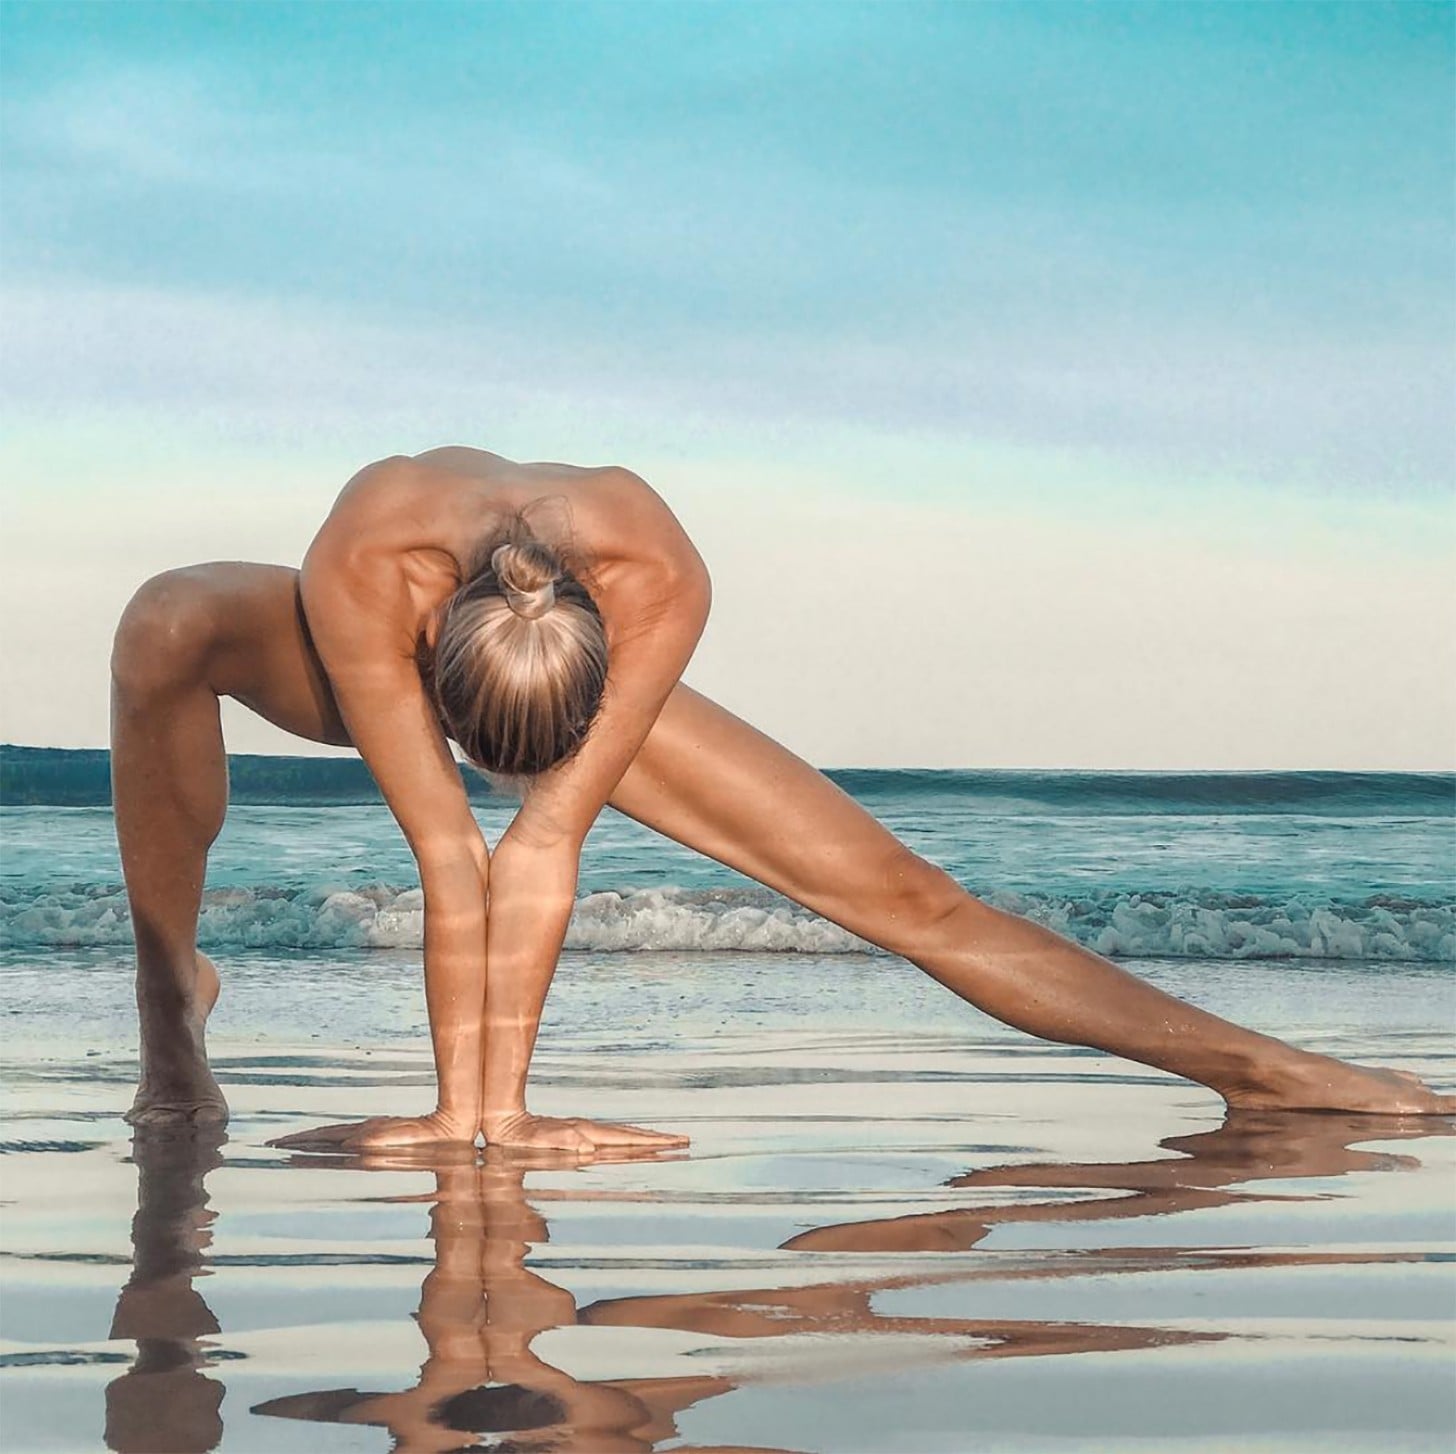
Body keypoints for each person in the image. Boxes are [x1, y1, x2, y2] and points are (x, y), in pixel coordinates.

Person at [109, 447, 1455, 1150]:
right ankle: (174, 1005)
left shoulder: (658, 575)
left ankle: (1267, 1070)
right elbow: (454, 857)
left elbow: (539, 844)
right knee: (164, 622)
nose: (502, 771)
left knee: (910, 895)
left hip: (546, 658)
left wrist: (494, 1118)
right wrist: (474, 1126)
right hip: (372, 647)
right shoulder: (365, 562)